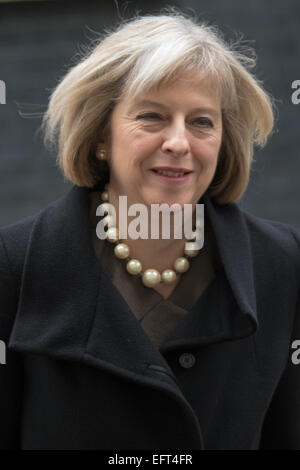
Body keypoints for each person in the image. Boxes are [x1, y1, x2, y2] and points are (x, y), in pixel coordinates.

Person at [0, 10, 300, 451]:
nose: (179, 142)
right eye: (152, 116)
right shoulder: (16, 266)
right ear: (101, 135)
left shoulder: (283, 263)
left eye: (201, 122)